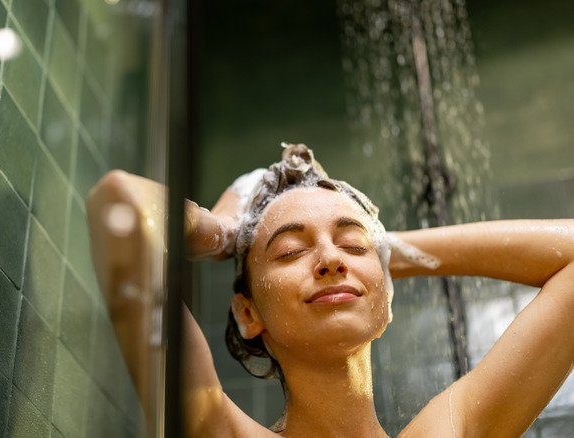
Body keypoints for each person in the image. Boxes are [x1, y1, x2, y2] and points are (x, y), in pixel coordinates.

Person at [86, 143, 574, 437]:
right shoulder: (214, 429)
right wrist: (225, 230)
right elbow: (119, 204)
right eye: (291, 251)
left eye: (350, 245)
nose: (331, 260)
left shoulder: (454, 430)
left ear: (384, 299)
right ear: (247, 313)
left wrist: (387, 253)